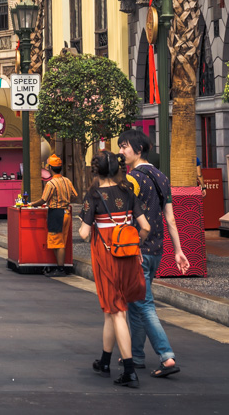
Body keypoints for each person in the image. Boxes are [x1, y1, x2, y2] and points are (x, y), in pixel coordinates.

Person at [119, 130, 190, 379]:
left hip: (137, 249)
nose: (121, 151)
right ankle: (136, 355)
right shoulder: (162, 177)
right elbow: (170, 218)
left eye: (125, 146)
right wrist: (178, 251)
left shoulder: (133, 179)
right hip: (157, 250)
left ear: (138, 149)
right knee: (136, 302)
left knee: (144, 304)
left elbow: (128, 216)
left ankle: (166, 356)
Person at [78, 150, 151, 389]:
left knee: (117, 310)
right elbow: (146, 227)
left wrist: (84, 223)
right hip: (129, 256)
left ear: (95, 170)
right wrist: (134, 244)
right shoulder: (127, 192)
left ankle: (129, 370)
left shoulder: (94, 195)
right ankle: (105, 362)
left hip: (106, 257)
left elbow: (84, 234)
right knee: (112, 309)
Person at [30, 154, 76, 276]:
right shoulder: (67, 181)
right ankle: (59, 267)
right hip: (66, 213)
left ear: (50, 168)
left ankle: (60, 269)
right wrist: (65, 199)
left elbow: (43, 200)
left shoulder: (51, 183)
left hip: (56, 214)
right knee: (61, 241)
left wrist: (32, 204)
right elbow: (74, 195)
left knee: (58, 243)